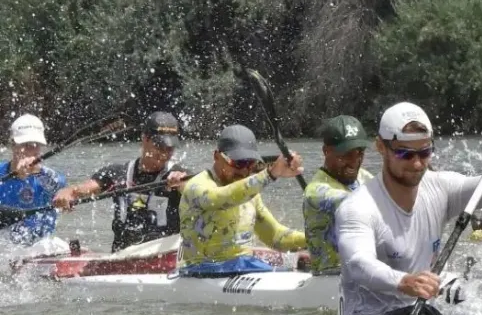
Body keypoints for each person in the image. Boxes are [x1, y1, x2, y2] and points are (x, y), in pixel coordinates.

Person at [335, 101, 482, 315]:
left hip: (421, 314)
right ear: (380, 147)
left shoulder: (440, 188)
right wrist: (405, 282)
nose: (417, 164)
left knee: (471, 296)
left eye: (424, 152)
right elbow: (358, 264)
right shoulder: (358, 207)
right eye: (405, 153)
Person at [54, 112, 190, 252]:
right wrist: (67, 193)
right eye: (160, 146)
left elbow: (200, 193)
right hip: (123, 258)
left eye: (170, 148)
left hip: (164, 255)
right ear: (144, 139)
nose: (165, 153)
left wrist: (183, 185)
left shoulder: (180, 175)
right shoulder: (118, 173)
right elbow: (82, 190)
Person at [178, 124, 305, 273]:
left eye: (250, 164)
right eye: (238, 163)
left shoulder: (251, 194)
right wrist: (270, 173)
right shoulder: (197, 186)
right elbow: (222, 197)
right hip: (201, 269)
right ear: (216, 156)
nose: (244, 171)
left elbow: (276, 237)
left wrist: (317, 237)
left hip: (242, 265)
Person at [303, 115, 373, 274]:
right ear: (326, 151)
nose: (354, 161)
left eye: (359, 152)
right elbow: (358, 203)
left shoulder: (364, 176)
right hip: (329, 277)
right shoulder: (316, 191)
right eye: (347, 154)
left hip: (364, 272)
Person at [0, 115, 66, 246]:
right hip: (6, 247)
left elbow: (62, 191)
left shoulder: (50, 177)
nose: (32, 150)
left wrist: (37, 172)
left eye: (36, 145)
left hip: (41, 246)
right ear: (13, 145)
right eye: (26, 144)